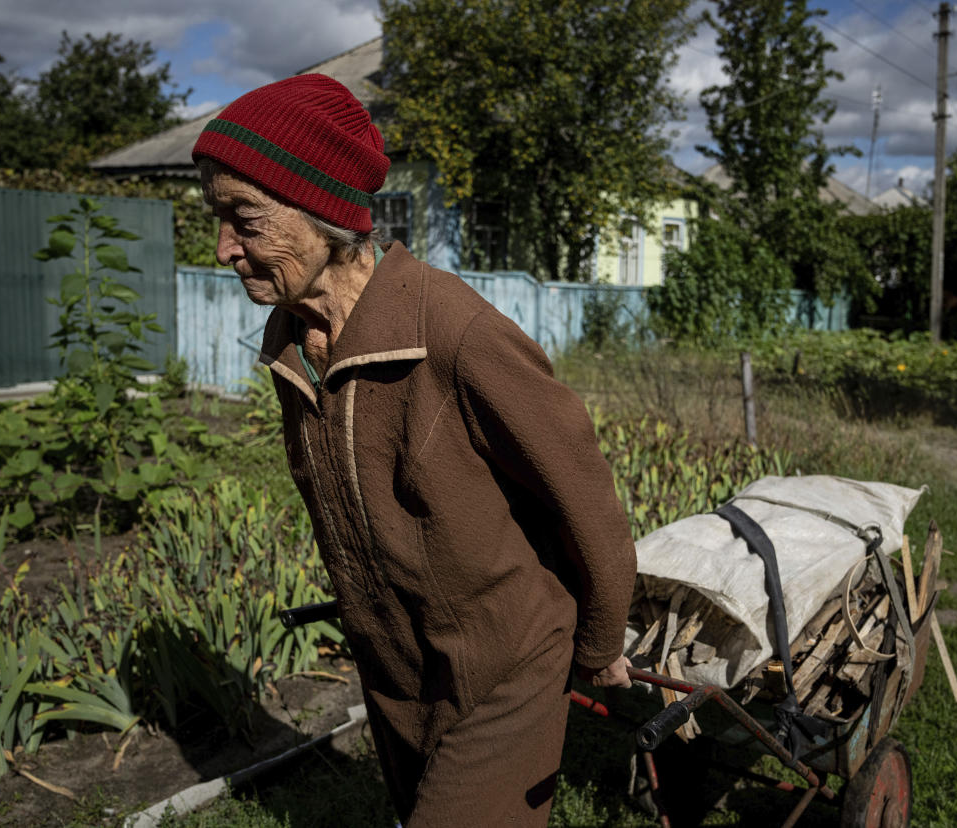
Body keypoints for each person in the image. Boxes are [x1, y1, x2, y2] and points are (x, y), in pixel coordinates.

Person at [192, 74, 637, 826]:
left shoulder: (455, 332)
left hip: (505, 660)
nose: (223, 247)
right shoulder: (293, 342)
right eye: (219, 217)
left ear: (323, 213)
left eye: (245, 218)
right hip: (394, 663)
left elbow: (579, 488)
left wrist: (596, 641)